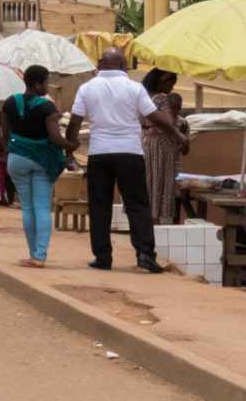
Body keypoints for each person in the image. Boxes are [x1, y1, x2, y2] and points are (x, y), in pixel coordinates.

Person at [63, 47, 183, 273]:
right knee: (138, 204)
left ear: (101, 64)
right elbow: (157, 118)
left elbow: (75, 122)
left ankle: (103, 257)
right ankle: (145, 254)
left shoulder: (86, 88)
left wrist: (70, 148)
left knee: (100, 205)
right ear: (123, 66)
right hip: (130, 153)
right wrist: (178, 134)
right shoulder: (134, 88)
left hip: (99, 153)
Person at [2, 65, 77, 268]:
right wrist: (71, 145)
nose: (47, 86)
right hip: (42, 161)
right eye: (45, 82)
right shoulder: (47, 107)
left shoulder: (10, 102)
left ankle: (32, 254)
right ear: (37, 84)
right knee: (42, 207)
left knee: (27, 208)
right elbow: (55, 137)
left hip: (16, 160)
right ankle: (40, 255)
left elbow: (4, 134)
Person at [142, 76, 188, 231]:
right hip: (158, 149)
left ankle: (153, 224)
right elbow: (167, 121)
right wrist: (178, 135)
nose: (172, 87)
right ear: (162, 81)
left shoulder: (145, 95)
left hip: (152, 148)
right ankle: (155, 226)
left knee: (153, 187)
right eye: (171, 83)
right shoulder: (161, 98)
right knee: (156, 187)